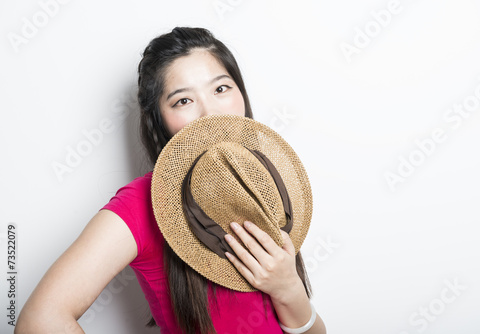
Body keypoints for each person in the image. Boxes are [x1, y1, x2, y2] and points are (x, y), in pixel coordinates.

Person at [15, 27, 327, 334]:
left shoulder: (267, 183)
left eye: (221, 89)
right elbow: (39, 321)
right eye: (183, 101)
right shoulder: (143, 202)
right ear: (159, 121)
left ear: (242, 94)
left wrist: (288, 288)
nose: (210, 113)